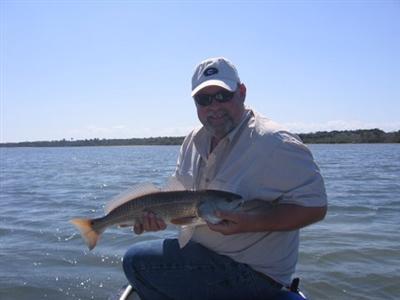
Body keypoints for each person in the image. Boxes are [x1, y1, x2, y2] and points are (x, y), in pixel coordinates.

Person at [122, 57, 327, 300]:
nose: (214, 106)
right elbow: (179, 201)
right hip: (202, 258)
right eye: (204, 99)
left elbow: (315, 208)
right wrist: (154, 219)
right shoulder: (193, 140)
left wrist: (250, 223)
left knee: (136, 261)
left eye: (223, 95)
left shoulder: (275, 143)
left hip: (252, 273)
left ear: (241, 92)